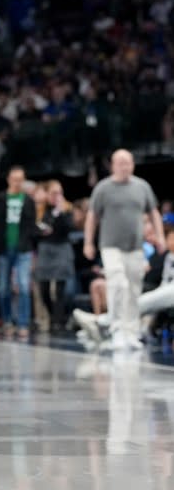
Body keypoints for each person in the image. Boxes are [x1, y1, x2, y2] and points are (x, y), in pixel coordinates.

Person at [83, 149, 163, 350]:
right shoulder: (103, 188)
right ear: (113, 165)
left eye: (128, 163)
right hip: (110, 246)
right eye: (121, 163)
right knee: (117, 282)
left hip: (135, 247)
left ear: (133, 164)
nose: (125, 167)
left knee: (134, 289)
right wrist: (88, 242)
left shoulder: (142, 187)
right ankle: (117, 328)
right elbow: (92, 217)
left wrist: (160, 236)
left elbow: (153, 213)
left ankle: (131, 331)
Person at [0, 166, 37, 339]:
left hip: (23, 249)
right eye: (15, 179)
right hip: (4, 248)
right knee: (4, 289)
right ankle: (7, 320)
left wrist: (34, 246)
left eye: (21, 179)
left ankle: (23, 323)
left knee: (23, 286)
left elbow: (31, 226)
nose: (17, 182)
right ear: (8, 179)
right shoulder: (0, 200)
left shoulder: (28, 200)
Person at [35, 180, 75, 333]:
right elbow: (36, 230)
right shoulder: (41, 209)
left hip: (62, 248)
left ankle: (57, 322)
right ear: (47, 194)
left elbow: (69, 228)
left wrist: (60, 212)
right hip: (45, 249)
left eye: (60, 192)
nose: (57, 196)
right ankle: (52, 315)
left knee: (60, 288)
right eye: (54, 193)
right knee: (44, 288)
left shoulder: (67, 208)